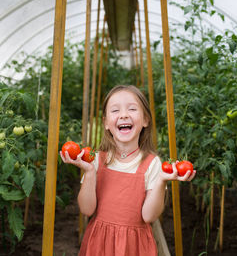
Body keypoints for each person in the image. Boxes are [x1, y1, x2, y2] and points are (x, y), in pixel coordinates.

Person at [60, 85, 196, 256]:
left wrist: (161, 180)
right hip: (100, 244)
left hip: (135, 246)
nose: (124, 114)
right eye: (115, 110)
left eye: (132, 109)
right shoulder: (96, 160)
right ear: (106, 123)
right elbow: (87, 209)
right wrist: (88, 172)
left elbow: (149, 216)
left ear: (146, 120)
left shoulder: (152, 164)